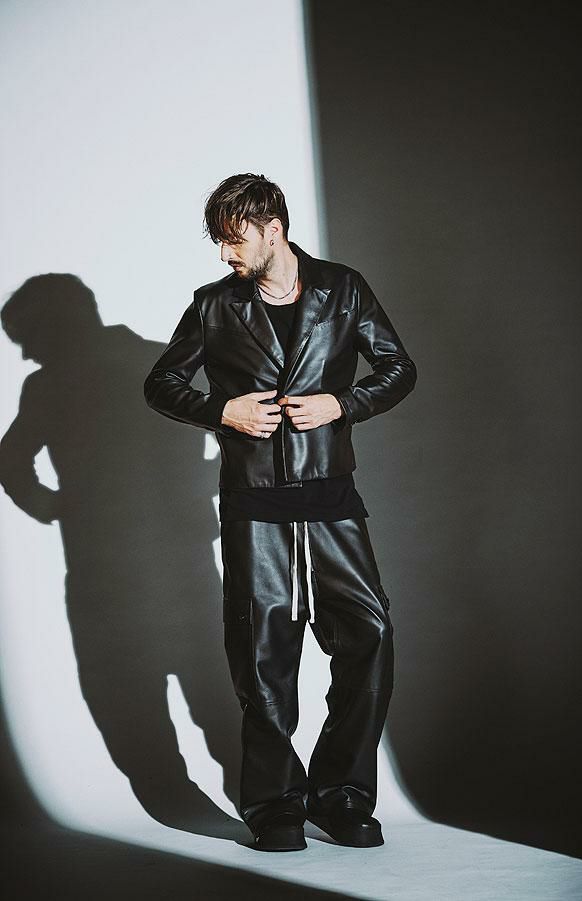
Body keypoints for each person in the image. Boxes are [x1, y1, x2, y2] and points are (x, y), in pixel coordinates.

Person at [143, 173, 417, 851]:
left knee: (370, 637)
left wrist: (342, 403)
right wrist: (222, 410)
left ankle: (341, 794)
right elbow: (162, 382)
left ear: (274, 230)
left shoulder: (343, 289)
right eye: (219, 241)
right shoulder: (214, 305)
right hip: (255, 505)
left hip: (331, 500)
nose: (224, 254)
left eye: (234, 239)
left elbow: (398, 368)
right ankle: (274, 804)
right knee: (263, 655)